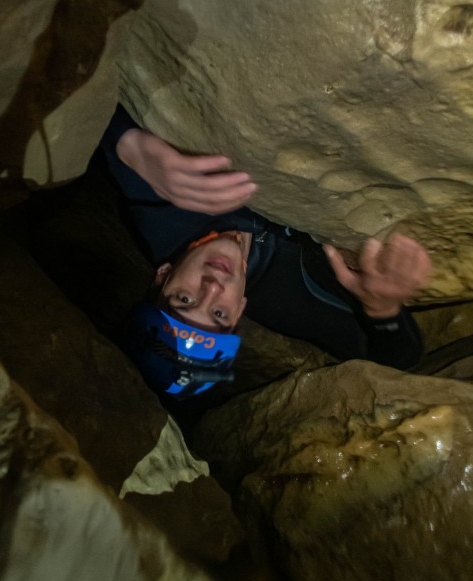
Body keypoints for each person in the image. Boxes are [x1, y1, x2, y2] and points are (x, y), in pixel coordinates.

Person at [96, 104, 432, 398]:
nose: (212, 289)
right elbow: (398, 364)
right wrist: (383, 309)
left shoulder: (159, 206)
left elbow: (80, 104)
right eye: (218, 315)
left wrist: (129, 145)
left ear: (163, 275)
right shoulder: (282, 299)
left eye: (184, 300)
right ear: (239, 310)